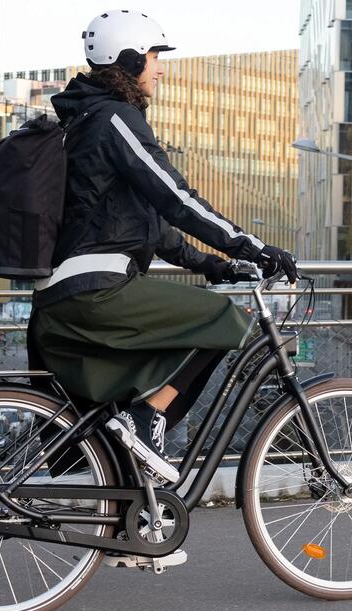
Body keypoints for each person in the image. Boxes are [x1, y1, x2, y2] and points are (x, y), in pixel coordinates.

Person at [25, 9, 299, 567]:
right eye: (153, 59)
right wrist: (252, 247)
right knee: (224, 321)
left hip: (72, 293)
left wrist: (221, 266)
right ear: (129, 60)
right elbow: (177, 197)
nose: (158, 71)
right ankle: (149, 419)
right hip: (95, 292)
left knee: (130, 400)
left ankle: (137, 528)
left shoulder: (90, 123)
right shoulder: (115, 119)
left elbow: (154, 229)